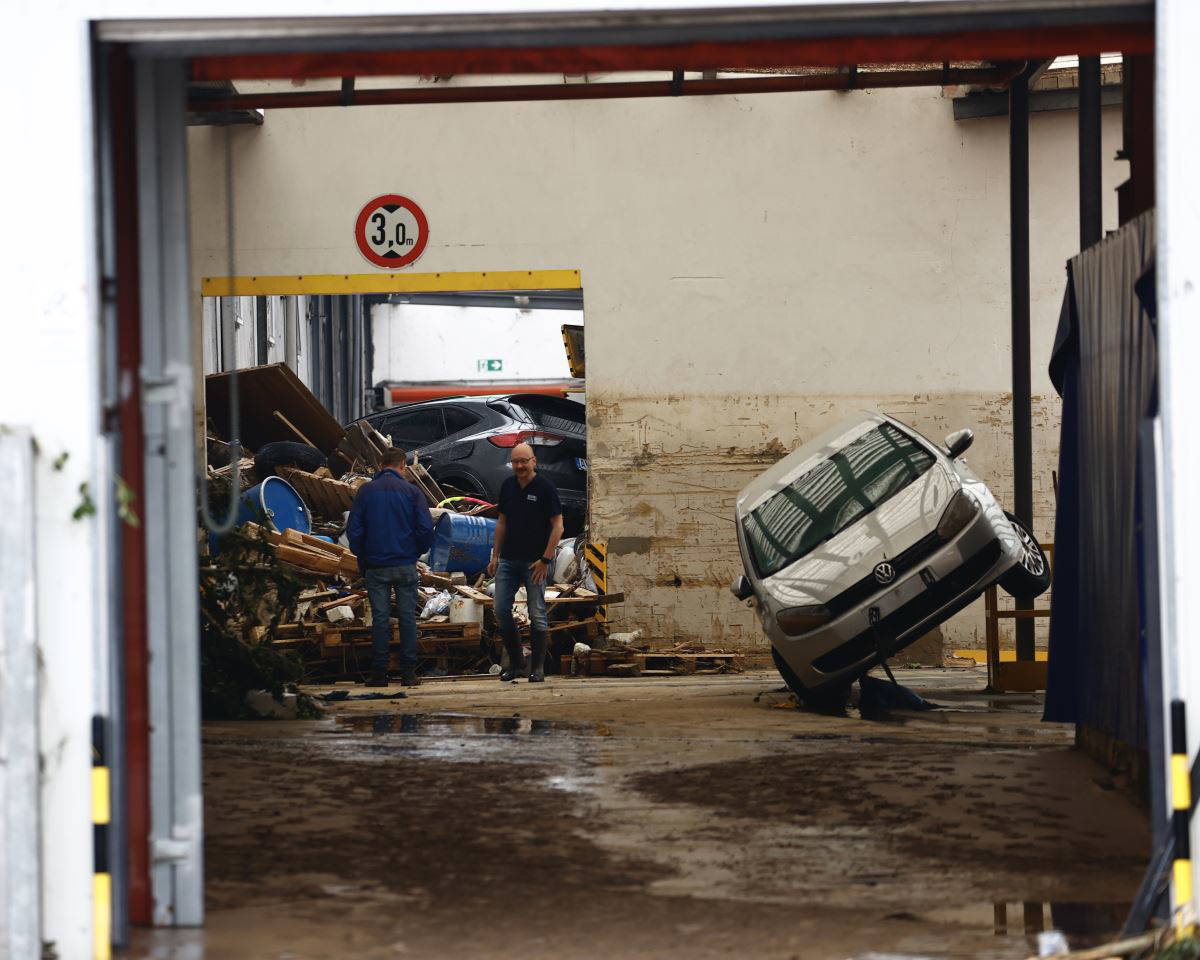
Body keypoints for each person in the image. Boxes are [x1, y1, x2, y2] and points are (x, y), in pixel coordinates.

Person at [346, 449, 434, 687]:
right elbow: (426, 529)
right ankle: (408, 674)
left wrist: (363, 555)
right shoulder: (413, 492)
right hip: (405, 564)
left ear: (381, 465)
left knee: (380, 619)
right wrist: (414, 552)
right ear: (402, 466)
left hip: (375, 566)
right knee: (407, 618)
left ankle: (379, 675)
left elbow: (353, 531)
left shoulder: (366, 492)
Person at [487, 442, 564, 682]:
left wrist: (545, 560)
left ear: (534, 462)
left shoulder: (545, 488)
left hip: (535, 562)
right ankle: (517, 664)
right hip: (508, 560)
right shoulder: (508, 486)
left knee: (537, 612)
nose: (519, 466)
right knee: (500, 610)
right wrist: (495, 555)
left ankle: (537, 668)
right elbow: (501, 523)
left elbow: (558, 526)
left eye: (524, 461)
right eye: (516, 461)